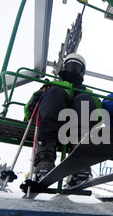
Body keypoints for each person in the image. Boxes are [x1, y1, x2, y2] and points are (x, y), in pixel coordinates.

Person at [24, 53, 102, 186]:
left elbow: (98, 116)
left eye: (76, 68)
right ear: (64, 67)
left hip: (76, 127)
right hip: (51, 122)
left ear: (82, 73)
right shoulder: (51, 85)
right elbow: (29, 112)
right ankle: (45, 155)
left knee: (84, 100)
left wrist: (82, 101)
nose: (73, 70)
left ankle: (79, 159)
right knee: (56, 92)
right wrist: (35, 100)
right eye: (71, 66)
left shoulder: (88, 93)